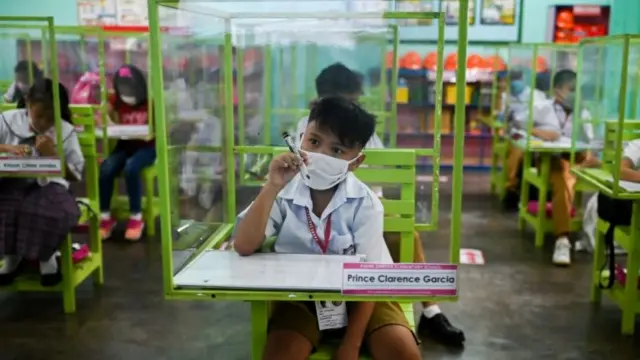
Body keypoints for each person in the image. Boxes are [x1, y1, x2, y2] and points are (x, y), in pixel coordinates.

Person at [234, 96, 421, 360]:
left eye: (337, 150)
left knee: (403, 353)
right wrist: (272, 186)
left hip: (363, 300)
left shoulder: (365, 204)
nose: (320, 154)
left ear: (355, 161)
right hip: (299, 296)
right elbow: (243, 245)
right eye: (313, 141)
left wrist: (351, 344)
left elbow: (371, 281)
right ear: (300, 140)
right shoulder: (284, 190)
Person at [294, 63, 465, 347]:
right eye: (352, 99)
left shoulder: (360, 127)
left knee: (402, 232)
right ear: (334, 98)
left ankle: (431, 311)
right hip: (320, 212)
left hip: (362, 206)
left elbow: (379, 169)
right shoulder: (307, 127)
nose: (355, 106)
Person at [0, 79, 83, 286]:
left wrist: (53, 155)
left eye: (50, 118)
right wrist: (8, 152)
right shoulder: (7, 121)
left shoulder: (65, 131)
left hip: (51, 187)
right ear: (27, 102)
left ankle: (47, 259)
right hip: (10, 184)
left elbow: (75, 175)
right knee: (6, 206)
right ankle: (11, 258)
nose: (44, 123)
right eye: (39, 116)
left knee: (41, 208)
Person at [532, 69, 598, 266]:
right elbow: (521, 129)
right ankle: (562, 239)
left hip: (575, 158)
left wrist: (578, 117)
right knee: (563, 180)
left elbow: (590, 142)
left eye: (577, 90)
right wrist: (541, 132)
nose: (574, 94)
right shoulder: (541, 108)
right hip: (549, 158)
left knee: (570, 176)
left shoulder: (583, 111)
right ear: (557, 90)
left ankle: (589, 235)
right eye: (570, 89)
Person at [99, 65, 155, 241]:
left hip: (147, 147)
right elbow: (99, 114)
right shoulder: (116, 99)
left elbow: (161, 129)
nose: (126, 92)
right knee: (106, 169)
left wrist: (151, 133)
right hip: (124, 145)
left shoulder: (150, 102)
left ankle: (136, 217)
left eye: (129, 88)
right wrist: (108, 122)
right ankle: (106, 217)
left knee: (132, 168)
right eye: (122, 88)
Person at [502, 69, 549, 210]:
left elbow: (543, 116)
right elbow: (506, 116)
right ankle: (513, 187)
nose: (515, 84)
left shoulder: (537, 95)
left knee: (534, 153)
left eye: (518, 80)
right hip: (517, 133)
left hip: (537, 132)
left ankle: (532, 189)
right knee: (517, 151)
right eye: (512, 81)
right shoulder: (507, 96)